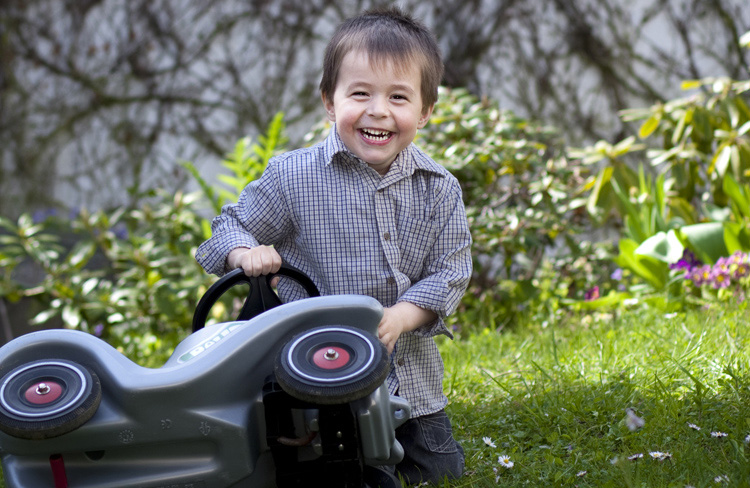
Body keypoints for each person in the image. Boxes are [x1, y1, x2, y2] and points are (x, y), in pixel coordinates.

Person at [195, 6, 472, 485]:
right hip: (318, 382)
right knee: (337, 471)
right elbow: (227, 228)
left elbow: (451, 270)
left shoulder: (439, 188)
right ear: (329, 99)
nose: (378, 110)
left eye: (399, 97)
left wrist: (404, 315)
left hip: (411, 385)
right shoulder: (292, 178)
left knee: (442, 473)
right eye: (359, 93)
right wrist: (246, 253)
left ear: (426, 111)